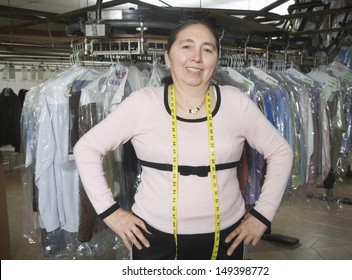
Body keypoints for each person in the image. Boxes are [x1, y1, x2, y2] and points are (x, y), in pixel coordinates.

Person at [73, 19, 293, 260]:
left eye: (207, 49)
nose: (196, 57)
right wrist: (109, 211)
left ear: (216, 59)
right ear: (167, 57)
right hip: (152, 237)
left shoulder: (237, 102)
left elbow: (281, 152)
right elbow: (87, 147)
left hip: (227, 238)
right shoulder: (142, 103)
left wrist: (263, 213)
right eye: (187, 46)